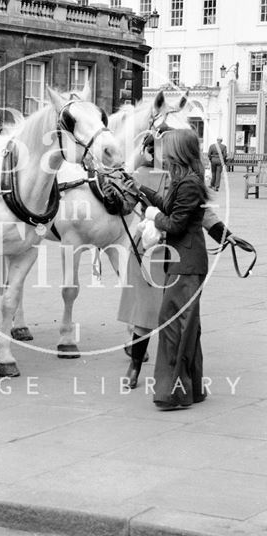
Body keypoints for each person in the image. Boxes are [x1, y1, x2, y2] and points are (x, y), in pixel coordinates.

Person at [119, 133, 234, 392]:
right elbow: (123, 205)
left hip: (177, 253)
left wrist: (226, 236)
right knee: (145, 312)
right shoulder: (142, 172)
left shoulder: (183, 178)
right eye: (157, 148)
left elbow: (201, 214)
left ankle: (181, 380)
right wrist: (134, 184)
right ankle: (135, 365)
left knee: (178, 318)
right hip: (149, 251)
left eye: (165, 149)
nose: (162, 154)